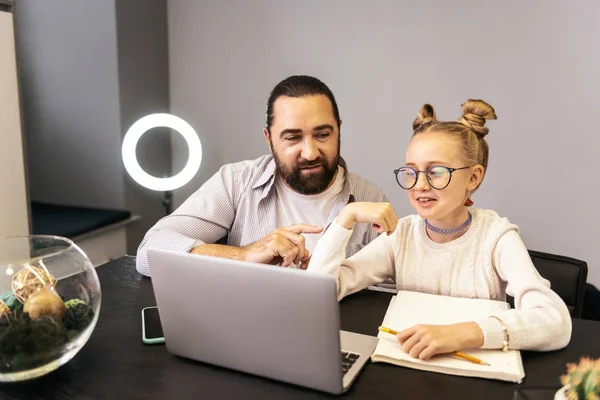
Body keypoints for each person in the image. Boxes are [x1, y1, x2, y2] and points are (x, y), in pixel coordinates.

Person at [308, 99, 572, 359]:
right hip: (413, 368)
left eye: (436, 172)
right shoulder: (402, 235)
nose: (420, 185)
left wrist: (462, 333)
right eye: (411, 172)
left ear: (473, 177)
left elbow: (554, 322)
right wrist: (345, 218)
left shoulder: (496, 237)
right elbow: (318, 294)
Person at [136, 75, 389, 277]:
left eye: (322, 135)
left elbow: (390, 294)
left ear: (338, 130)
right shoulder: (236, 182)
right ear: (269, 139)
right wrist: (244, 256)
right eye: (292, 138)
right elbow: (149, 251)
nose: (310, 153)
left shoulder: (370, 198)